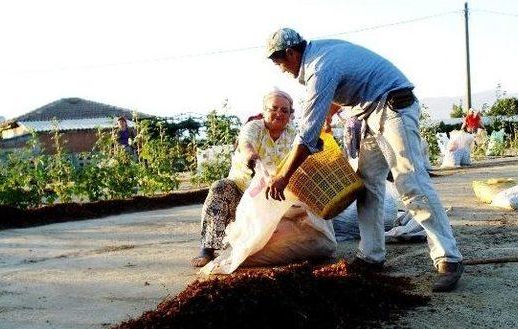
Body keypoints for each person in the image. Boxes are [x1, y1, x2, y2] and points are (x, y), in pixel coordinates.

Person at [265, 28, 464, 292]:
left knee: (410, 181)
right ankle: (371, 256)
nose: (281, 69)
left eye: (280, 62)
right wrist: (331, 111)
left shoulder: (318, 66)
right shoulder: (321, 53)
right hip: (371, 112)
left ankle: (449, 258)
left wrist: (283, 176)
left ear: (291, 53)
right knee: (367, 185)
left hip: (394, 108)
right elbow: (349, 84)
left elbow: (307, 134)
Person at [191, 89, 308, 267]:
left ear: (291, 115)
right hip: (243, 191)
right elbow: (246, 143)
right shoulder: (254, 127)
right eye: (274, 108)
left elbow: (302, 154)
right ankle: (207, 249)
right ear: (264, 110)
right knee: (221, 188)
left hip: (274, 194)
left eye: (285, 110)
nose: (279, 113)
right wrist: (251, 158)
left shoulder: (293, 134)